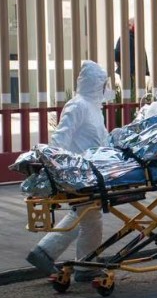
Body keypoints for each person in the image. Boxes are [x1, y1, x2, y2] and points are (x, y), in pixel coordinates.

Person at [26, 60, 111, 282]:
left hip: (88, 172)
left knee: (81, 214)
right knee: (91, 219)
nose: (105, 88)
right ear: (95, 84)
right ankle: (86, 267)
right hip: (77, 174)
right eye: (103, 84)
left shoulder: (93, 108)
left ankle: (44, 252)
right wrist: (54, 168)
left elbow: (100, 139)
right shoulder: (78, 106)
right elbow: (61, 137)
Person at [114, 17, 150, 85]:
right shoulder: (132, 38)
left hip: (131, 72)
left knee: (132, 90)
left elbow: (116, 55)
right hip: (132, 72)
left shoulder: (135, 38)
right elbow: (117, 55)